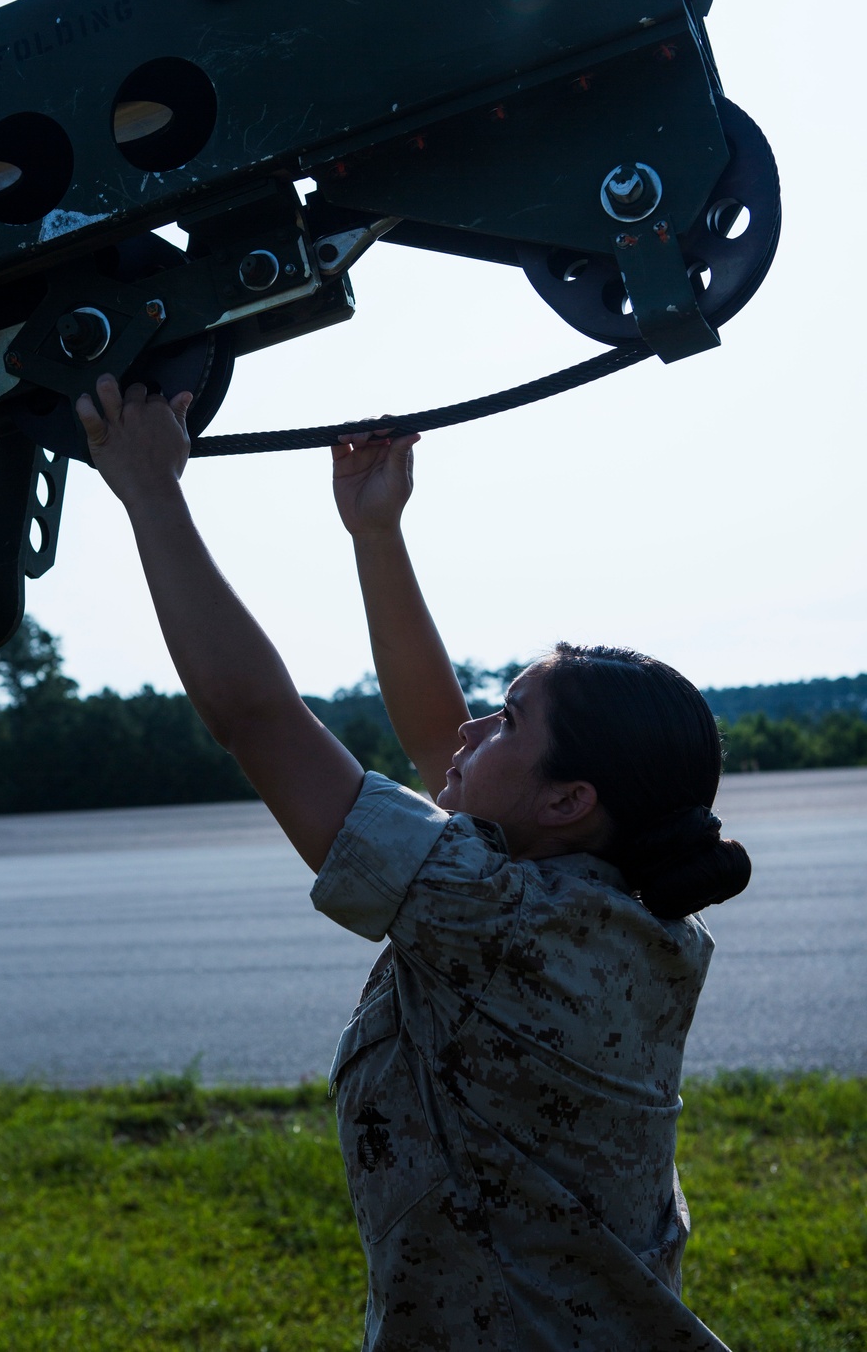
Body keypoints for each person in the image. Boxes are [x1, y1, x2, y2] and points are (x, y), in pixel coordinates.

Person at [76, 374, 750, 1352]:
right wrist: (375, 535)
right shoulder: (618, 908)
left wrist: (149, 491)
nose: (475, 727)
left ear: (569, 802)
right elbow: (450, 757)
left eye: (509, 718)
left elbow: (256, 721)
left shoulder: (500, 917)